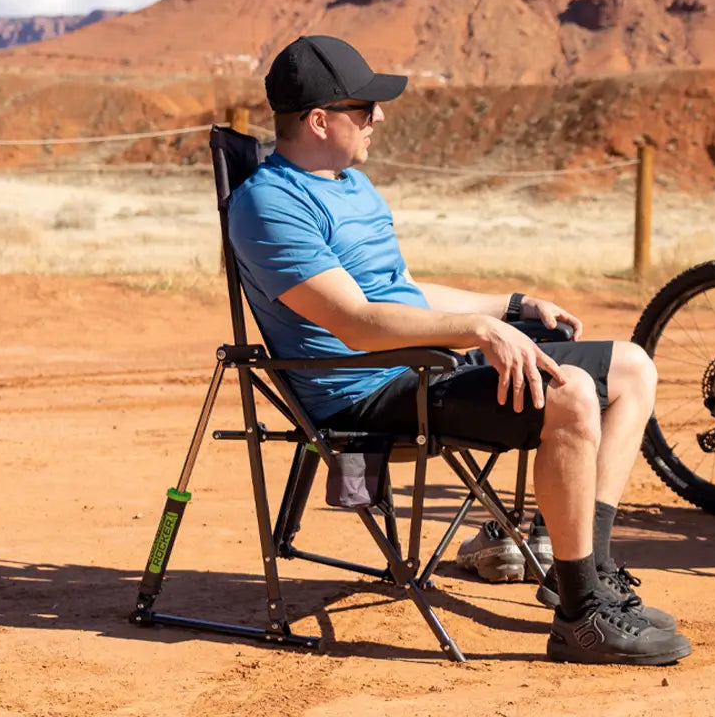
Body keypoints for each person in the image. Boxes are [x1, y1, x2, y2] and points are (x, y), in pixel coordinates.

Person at [226, 34, 690, 665]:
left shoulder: (351, 184)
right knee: (572, 393)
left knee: (632, 368)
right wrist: (476, 331)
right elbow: (358, 324)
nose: (379, 118)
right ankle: (581, 619)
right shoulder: (269, 204)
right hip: (366, 390)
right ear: (318, 119)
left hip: (423, 364)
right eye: (365, 109)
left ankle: (585, 571)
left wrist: (510, 306)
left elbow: (402, 292)